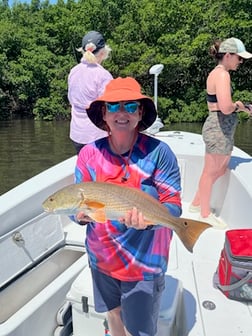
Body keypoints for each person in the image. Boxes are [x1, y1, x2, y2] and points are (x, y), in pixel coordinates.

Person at [74, 77, 182, 336]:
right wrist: (79, 217)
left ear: (140, 112)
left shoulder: (158, 152)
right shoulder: (88, 154)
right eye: (113, 107)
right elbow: (77, 205)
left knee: (141, 330)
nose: (121, 113)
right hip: (101, 257)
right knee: (112, 312)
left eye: (130, 106)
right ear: (103, 113)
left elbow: (174, 206)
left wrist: (152, 220)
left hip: (143, 264)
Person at [189, 37, 252, 228]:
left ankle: (196, 204)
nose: (240, 62)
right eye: (238, 58)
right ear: (228, 55)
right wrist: (241, 106)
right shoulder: (222, 75)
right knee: (211, 172)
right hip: (218, 129)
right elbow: (225, 107)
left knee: (218, 169)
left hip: (219, 129)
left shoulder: (217, 74)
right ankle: (204, 214)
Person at [68, 30, 113, 154]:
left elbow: (71, 101)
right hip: (97, 136)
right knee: (101, 172)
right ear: (104, 52)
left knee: (86, 169)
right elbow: (110, 107)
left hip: (77, 135)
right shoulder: (103, 75)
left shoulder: (73, 71)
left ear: (82, 51)